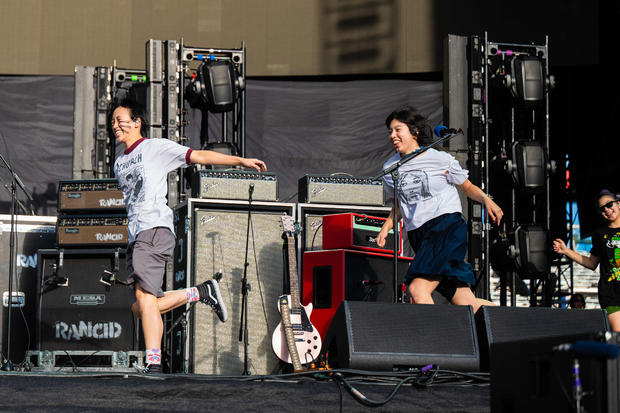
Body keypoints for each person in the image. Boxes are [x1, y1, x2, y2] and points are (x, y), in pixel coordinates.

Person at [111, 98, 267, 373]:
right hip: (137, 235)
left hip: (154, 228)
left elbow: (199, 156)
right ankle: (200, 292)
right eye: (112, 121)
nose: (115, 125)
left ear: (137, 122)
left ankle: (154, 364)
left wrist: (239, 160)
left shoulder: (155, 148)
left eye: (120, 119)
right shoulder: (119, 162)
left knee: (145, 300)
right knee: (142, 306)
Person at [376, 105, 502, 313]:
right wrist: (386, 226)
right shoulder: (390, 169)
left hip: (445, 227)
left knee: (418, 289)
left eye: (398, 129)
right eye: (390, 131)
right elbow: (399, 205)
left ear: (414, 131)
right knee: (467, 302)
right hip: (419, 234)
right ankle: (513, 320)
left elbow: (467, 187)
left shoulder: (438, 158)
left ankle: (436, 340)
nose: (393, 135)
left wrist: (487, 200)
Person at [553, 190, 620, 332]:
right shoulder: (600, 234)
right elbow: (591, 263)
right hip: (611, 293)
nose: (607, 210)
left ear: (618, 203)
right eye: (603, 209)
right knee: (618, 336)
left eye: (609, 205)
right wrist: (566, 251)